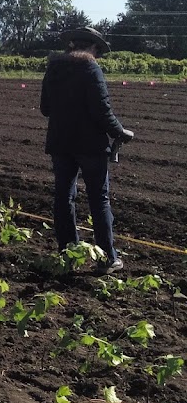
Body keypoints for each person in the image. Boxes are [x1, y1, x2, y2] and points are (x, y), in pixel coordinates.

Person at [40, 26, 135, 274]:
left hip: (61, 143)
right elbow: (101, 110)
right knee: (99, 199)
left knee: (64, 197)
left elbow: (45, 108)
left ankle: (67, 254)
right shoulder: (90, 69)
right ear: (92, 48)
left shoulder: (54, 68)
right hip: (90, 145)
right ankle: (107, 258)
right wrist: (119, 132)